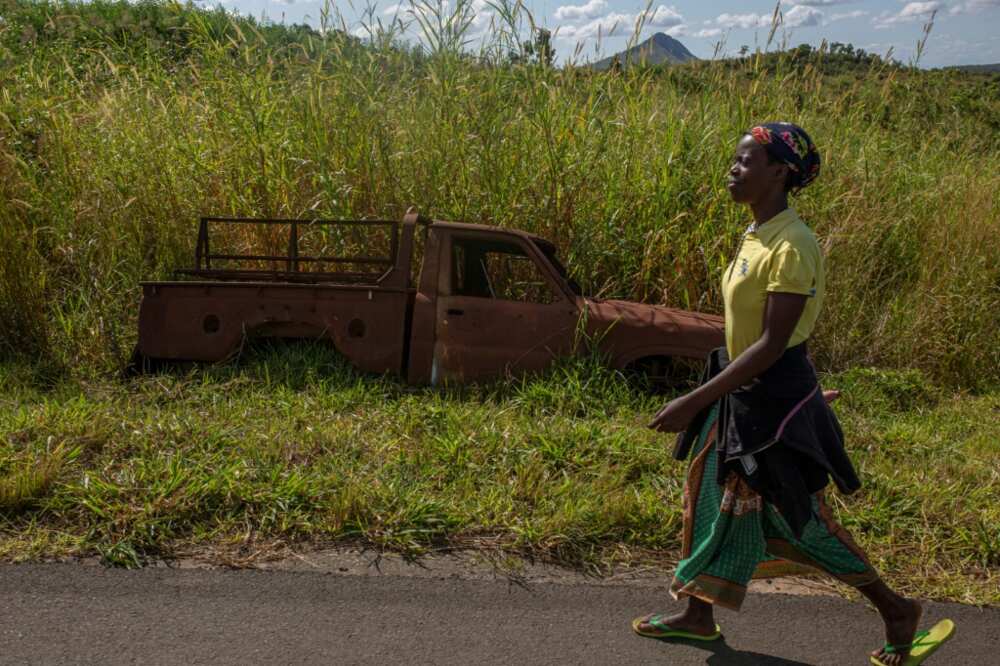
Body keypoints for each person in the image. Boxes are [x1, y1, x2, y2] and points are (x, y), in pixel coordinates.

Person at [632, 123, 954, 665]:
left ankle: (896, 609)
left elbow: (773, 344)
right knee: (707, 496)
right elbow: (747, 333)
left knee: (798, 520)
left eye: (746, 161)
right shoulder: (757, 235)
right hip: (745, 394)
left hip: (768, 403)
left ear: (779, 171)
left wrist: (691, 400)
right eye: (734, 160)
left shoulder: (793, 243)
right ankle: (697, 613)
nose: (733, 170)